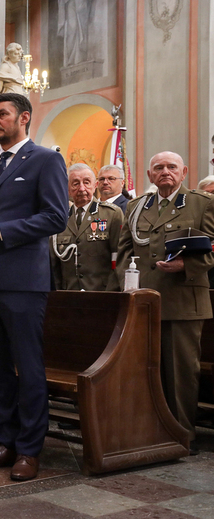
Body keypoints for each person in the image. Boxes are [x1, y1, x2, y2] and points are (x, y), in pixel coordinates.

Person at [0, 93, 68, 481]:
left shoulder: (45, 159)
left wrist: (1, 231)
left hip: (22, 280)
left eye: (2, 114)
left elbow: (56, 217)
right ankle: (4, 441)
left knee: (29, 366)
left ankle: (29, 450)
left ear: (24, 118)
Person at [117, 151, 214, 452]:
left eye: (172, 167)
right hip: (143, 302)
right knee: (145, 370)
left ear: (184, 172)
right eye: (158, 168)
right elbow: (124, 251)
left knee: (180, 373)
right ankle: (152, 429)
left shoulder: (201, 204)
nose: (165, 172)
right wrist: (128, 286)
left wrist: (187, 265)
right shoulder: (136, 206)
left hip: (182, 300)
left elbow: (211, 248)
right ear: (149, 175)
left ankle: (182, 434)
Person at [51, 163, 122, 291]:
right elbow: (54, 264)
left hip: (101, 293)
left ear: (95, 186)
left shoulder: (111, 214)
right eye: (75, 183)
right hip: (68, 293)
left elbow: (120, 258)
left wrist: (111, 292)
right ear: (67, 188)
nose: (82, 188)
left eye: (86, 182)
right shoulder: (60, 218)